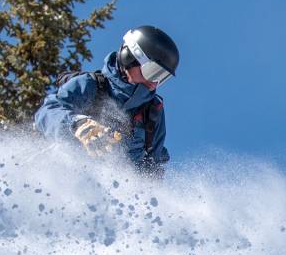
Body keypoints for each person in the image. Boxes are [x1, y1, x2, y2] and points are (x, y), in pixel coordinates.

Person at [34, 26, 179, 177]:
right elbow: (47, 111)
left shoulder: (151, 113)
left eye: (162, 77)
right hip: (64, 175)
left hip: (115, 192)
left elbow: (152, 165)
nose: (154, 83)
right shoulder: (93, 86)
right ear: (128, 56)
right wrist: (76, 124)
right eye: (153, 71)